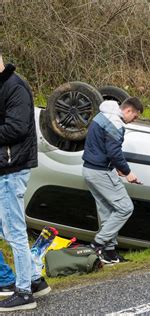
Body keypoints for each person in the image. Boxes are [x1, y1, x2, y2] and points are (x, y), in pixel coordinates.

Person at [0, 50, 50, 311]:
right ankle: (35, 280)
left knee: (14, 232)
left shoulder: (14, 87)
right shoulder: (3, 86)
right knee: (6, 228)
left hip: (12, 170)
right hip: (5, 170)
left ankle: (23, 293)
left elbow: (16, 128)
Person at [82, 97, 143, 264]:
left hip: (89, 170)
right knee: (125, 208)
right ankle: (97, 245)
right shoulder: (115, 123)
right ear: (128, 110)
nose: (134, 120)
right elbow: (114, 152)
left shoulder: (102, 115)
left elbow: (100, 146)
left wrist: (113, 165)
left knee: (107, 211)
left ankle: (109, 253)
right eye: (135, 116)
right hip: (101, 172)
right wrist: (127, 172)